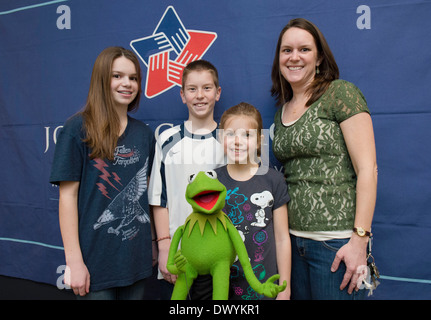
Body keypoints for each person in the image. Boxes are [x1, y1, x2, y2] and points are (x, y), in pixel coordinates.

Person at [270, 18, 378, 300]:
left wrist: (359, 240)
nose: (294, 57)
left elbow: (368, 169)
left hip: (336, 244)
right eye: (286, 50)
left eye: (304, 49)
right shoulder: (282, 110)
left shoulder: (339, 94)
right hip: (293, 244)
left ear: (319, 58)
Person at [49, 47, 155, 299]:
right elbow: (67, 198)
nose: (126, 84)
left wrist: (151, 243)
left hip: (136, 261)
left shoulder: (144, 134)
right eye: (117, 76)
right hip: (94, 263)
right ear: (101, 79)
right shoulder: (77, 129)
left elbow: (146, 194)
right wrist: (74, 261)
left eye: (133, 78)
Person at [148, 60, 225, 299]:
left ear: (218, 92)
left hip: (222, 253)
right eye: (192, 89)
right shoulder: (167, 140)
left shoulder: (231, 140)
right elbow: (159, 199)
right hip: (182, 253)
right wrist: (164, 246)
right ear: (182, 95)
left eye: (207, 88)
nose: (200, 96)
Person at [215, 102, 291, 300]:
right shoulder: (212, 181)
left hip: (264, 287)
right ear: (221, 138)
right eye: (230, 134)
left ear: (259, 141)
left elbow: (282, 238)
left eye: (246, 135)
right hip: (222, 288)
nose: (237, 141)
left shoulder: (272, 180)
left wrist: (285, 287)